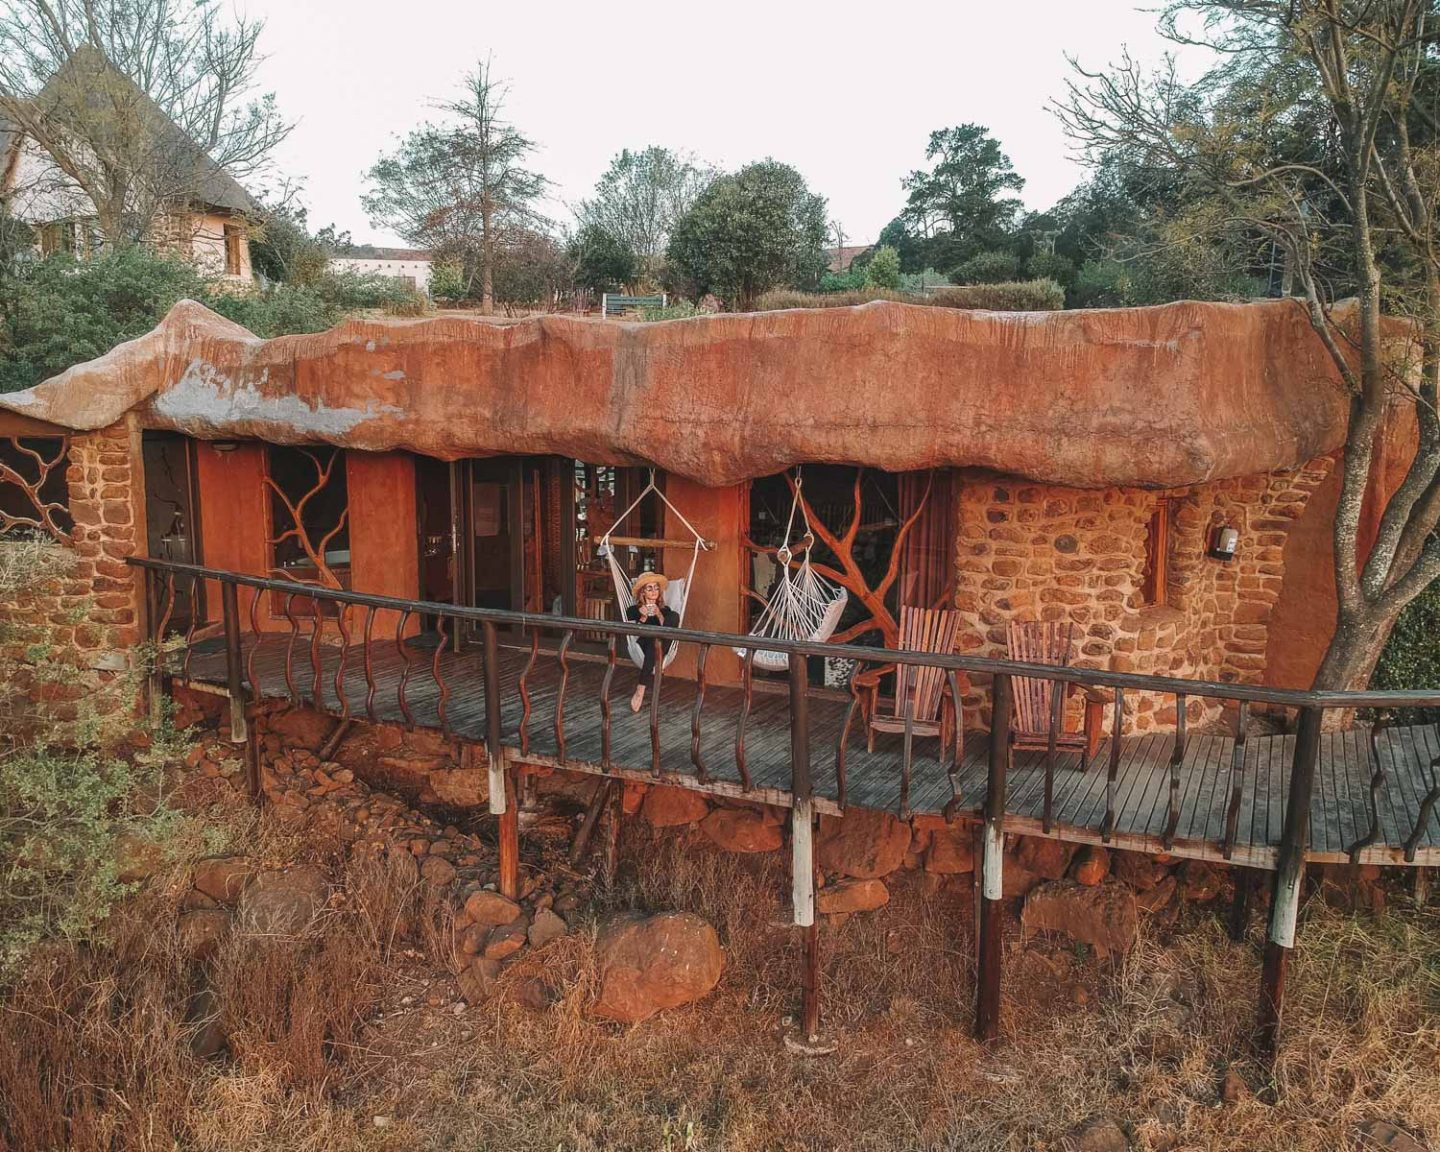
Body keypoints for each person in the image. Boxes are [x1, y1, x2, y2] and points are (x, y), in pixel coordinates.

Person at [626, 571, 678, 712]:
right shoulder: (633, 610)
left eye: (656, 588)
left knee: (674, 617)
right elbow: (633, 632)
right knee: (654, 642)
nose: (654, 591)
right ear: (642, 592)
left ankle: (641, 688)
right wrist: (642, 617)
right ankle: (640, 689)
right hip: (644, 644)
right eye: (649, 588)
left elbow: (668, 629)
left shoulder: (665, 610)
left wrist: (659, 614)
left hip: (662, 644)